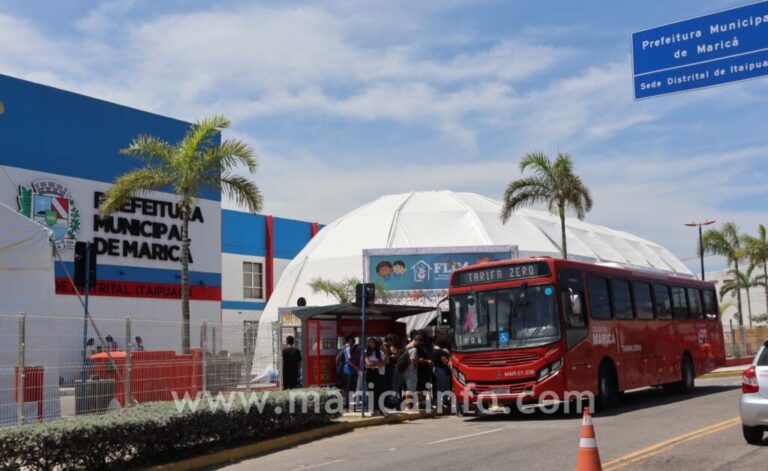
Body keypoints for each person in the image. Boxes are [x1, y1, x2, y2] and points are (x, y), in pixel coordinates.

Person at [364, 337, 387, 415]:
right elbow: (368, 363)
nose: (371, 344)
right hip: (369, 372)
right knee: (371, 390)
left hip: (377, 372)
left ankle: (379, 408)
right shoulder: (366, 352)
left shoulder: (379, 352)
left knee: (378, 390)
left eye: (373, 342)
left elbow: (383, 362)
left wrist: (374, 363)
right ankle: (371, 409)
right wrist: (376, 363)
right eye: (370, 342)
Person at [402, 332, 424, 411]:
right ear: (417, 340)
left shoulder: (406, 346)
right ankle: (408, 407)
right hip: (411, 371)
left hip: (405, 371)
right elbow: (413, 360)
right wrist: (419, 360)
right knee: (410, 390)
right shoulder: (414, 349)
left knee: (407, 389)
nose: (419, 344)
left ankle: (408, 406)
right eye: (419, 343)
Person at [432, 335, 452, 409]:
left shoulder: (434, 350)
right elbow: (444, 361)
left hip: (437, 369)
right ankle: (441, 402)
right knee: (442, 386)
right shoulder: (441, 351)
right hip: (441, 370)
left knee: (441, 386)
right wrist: (449, 360)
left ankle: (443, 401)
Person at [342, 334, 360, 405]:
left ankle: (348, 402)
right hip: (348, 370)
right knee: (348, 387)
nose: (354, 340)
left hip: (350, 370)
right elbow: (348, 360)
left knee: (350, 387)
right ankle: (347, 403)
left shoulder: (349, 347)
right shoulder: (347, 348)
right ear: (350, 339)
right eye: (353, 338)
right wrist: (355, 367)